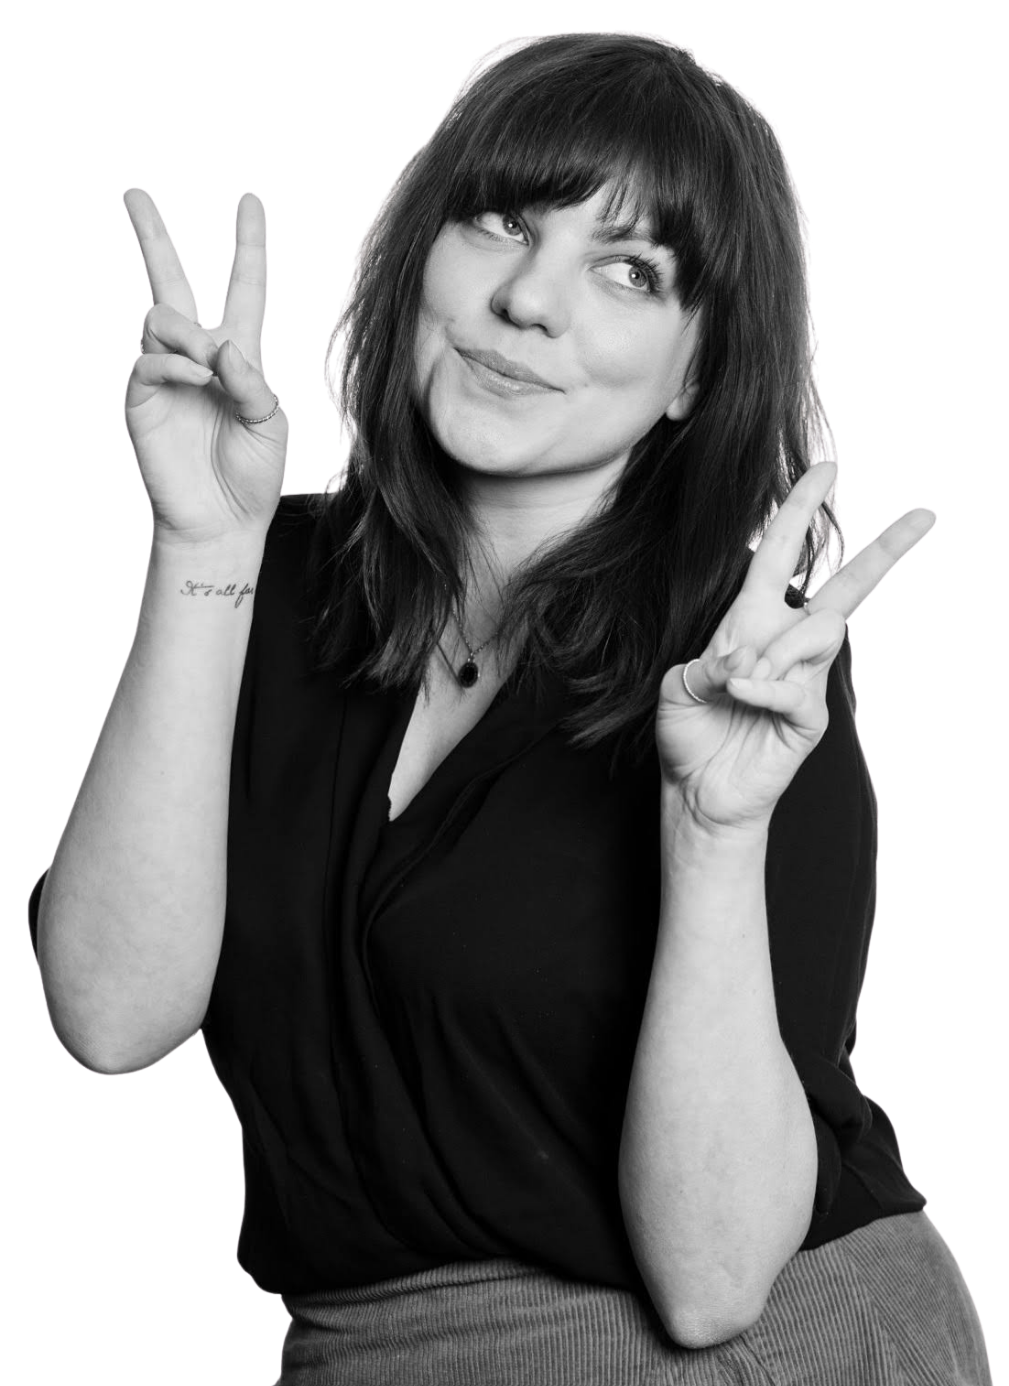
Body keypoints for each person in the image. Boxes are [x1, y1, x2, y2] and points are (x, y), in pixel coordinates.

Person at [29, 31, 990, 1386]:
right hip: (362, 1346)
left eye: (629, 271)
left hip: (728, 1344)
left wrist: (712, 830)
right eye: (502, 222)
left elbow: (716, 1281)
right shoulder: (268, 568)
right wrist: (201, 547)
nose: (532, 302)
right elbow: (113, 1012)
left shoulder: (739, 678)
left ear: (697, 377)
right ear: (424, 254)